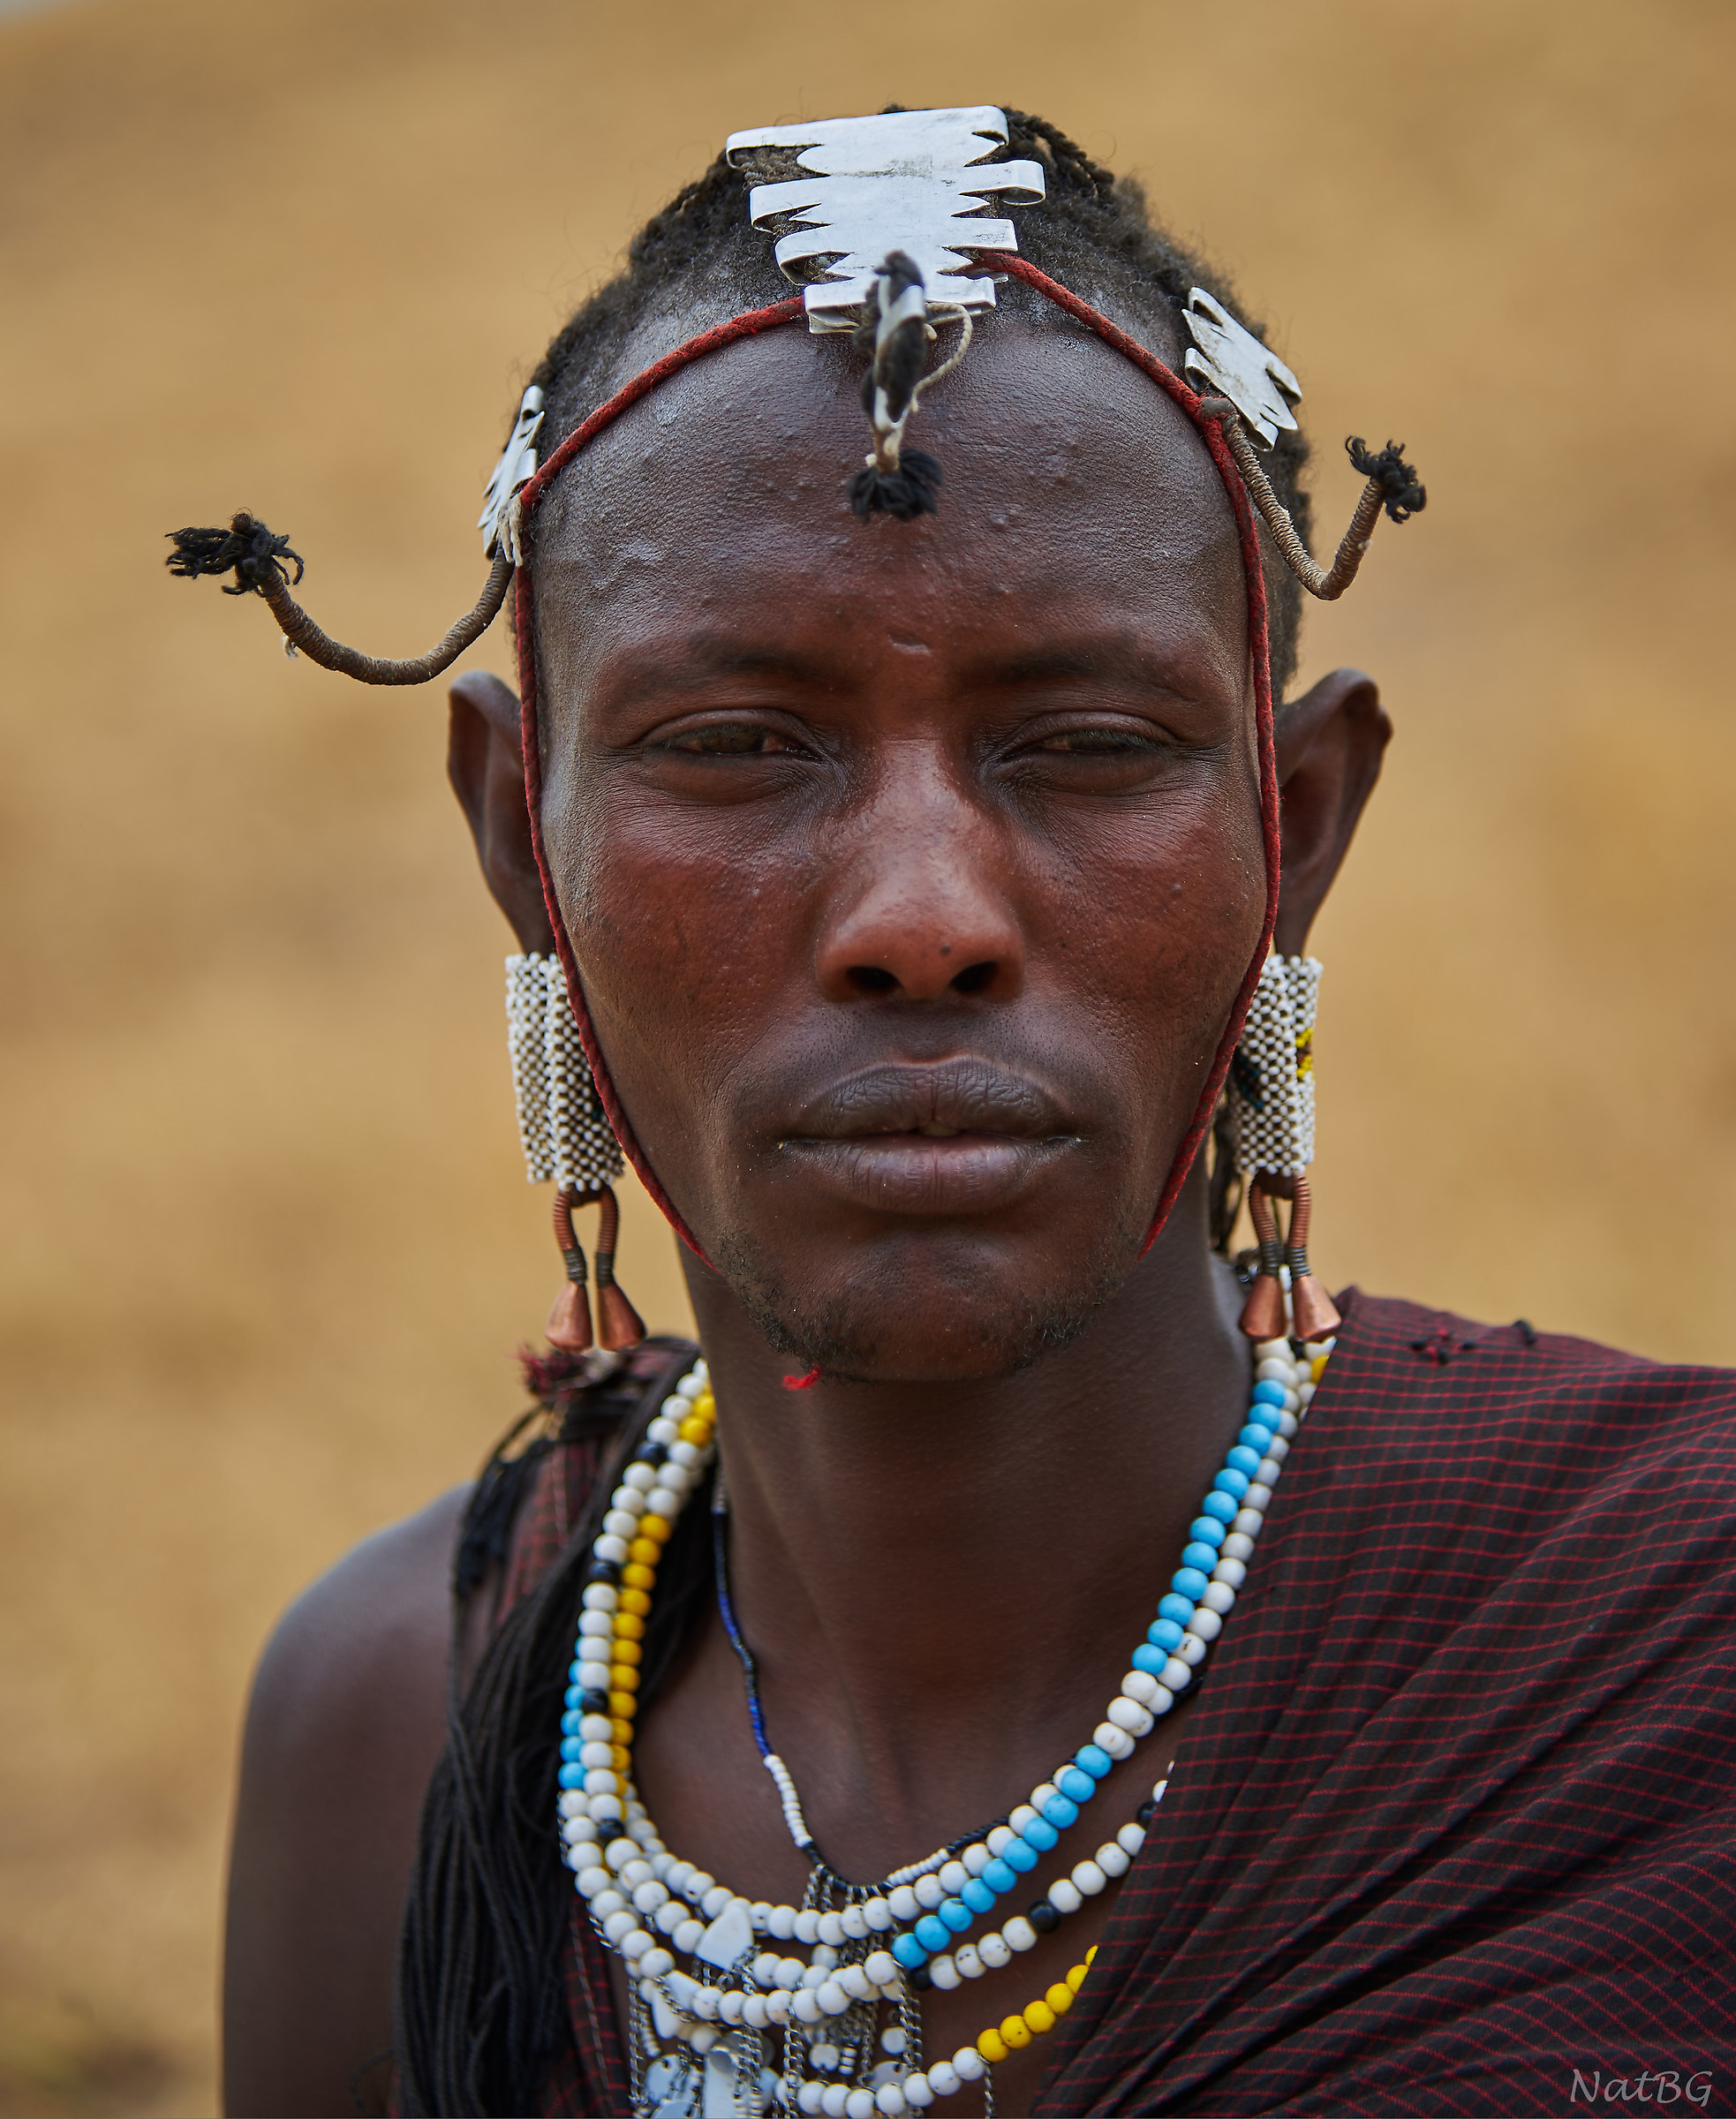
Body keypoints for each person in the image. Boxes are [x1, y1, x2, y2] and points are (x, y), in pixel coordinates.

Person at [191, 108, 1736, 2119]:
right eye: (735, 748)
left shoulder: (1670, 1661)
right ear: (521, 840)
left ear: (1289, 828)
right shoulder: (401, 1719)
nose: (922, 917)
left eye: (1086, 747)